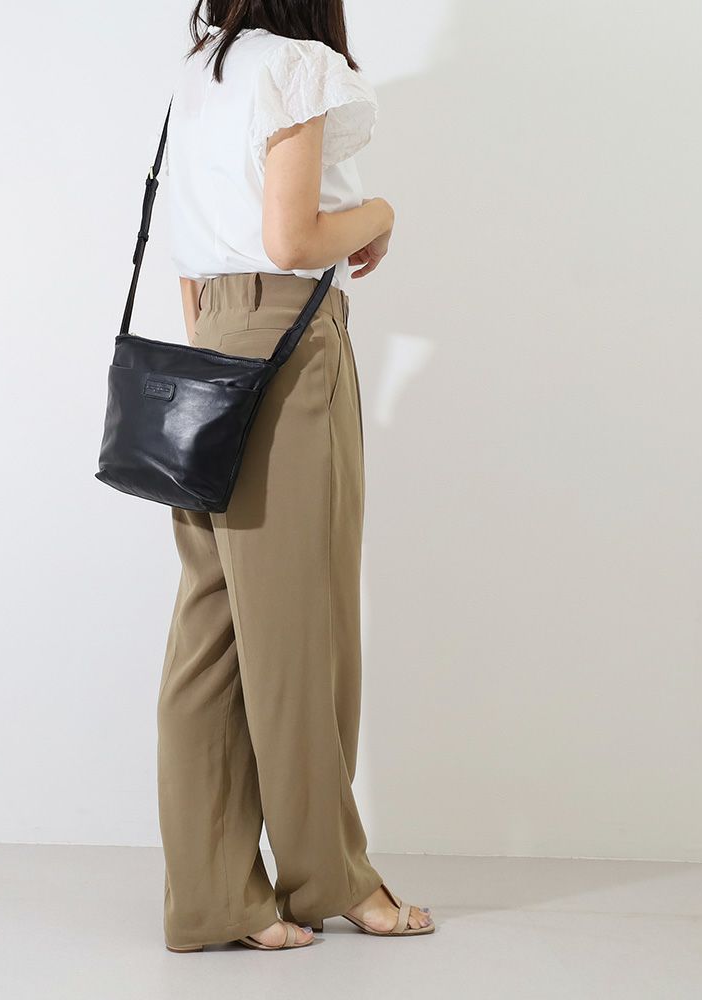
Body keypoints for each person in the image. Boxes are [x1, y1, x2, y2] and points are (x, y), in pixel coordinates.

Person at [156, 1, 434, 953]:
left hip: (208, 341)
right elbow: (291, 239)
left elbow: (189, 247)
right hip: (287, 343)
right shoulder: (298, 65)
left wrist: (215, 347)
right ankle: (331, 877)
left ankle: (212, 898)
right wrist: (381, 212)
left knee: (213, 637)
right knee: (301, 633)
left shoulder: (203, 70)